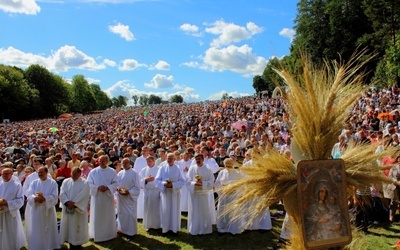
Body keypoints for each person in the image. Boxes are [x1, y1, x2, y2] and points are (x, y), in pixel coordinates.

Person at [26, 166, 60, 250]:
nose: (40, 174)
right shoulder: (34, 183)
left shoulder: (52, 183)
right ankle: (37, 246)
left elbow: (55, 195)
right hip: (36, 209)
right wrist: (35, 198)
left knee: (48, 228)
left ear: (46, 172)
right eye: (39, 173)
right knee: (37, 228)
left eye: (42, 172)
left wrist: (45, 198)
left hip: (47, 209)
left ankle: (49, 245)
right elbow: (29, 194)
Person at [87, 155, 118, 242]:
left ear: (107, 161)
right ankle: (97, 234)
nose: (101, 162)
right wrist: (97, 187)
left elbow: (116, 183)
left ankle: (109, 234)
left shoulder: (112, 171)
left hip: (108, 198)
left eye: (103, 161)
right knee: (97, 215)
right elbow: (89, 183)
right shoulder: (93, 172)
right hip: (97, 198)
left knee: (107, 215)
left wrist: (108, 187)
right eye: (100, 161)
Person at [59, 167, 90, 250]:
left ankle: (78, 243)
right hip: (67, 208)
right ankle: (68, 240)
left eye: (75, 174)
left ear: (80, 174)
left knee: (77, 227)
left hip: (78, 209)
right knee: (68, 226)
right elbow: (62, 192)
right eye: (72, 173)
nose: (73, 175)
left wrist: (75, 204)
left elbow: (84, 195)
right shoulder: (66, 181)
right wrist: (66, 202)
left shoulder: (85, 182)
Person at [155, 153, 186, 234]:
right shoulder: (162, 168)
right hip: (165, 193)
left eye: (171, 158)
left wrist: (173, 185)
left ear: (174, 159)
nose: (169, 160)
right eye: (168, 158)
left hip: (174, 194)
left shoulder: (178, 169)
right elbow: (157, 180)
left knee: (174, 210)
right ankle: (165, 228)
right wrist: (164, 184)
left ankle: (174, 229)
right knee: (165, 210)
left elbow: (182, 181)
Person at [187, 153, 215, 235]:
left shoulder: (208, 169)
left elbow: (211, 181)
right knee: (194, 210)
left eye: (199, 159)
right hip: (194, 194)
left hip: (203, 194)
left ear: (203, 159)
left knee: (203, 210)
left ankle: (204, 228)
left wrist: (203, 183)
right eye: (196, 159)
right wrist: (194, 184)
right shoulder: (192, 169)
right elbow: (187, 180)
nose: (198, 160)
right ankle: (194, 228)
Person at [214, 158, 244, 234]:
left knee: (232, 211)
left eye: (229, 165)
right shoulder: (222, 172)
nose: (228, 167)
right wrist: (221, 190)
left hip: (233, 195)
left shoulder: (237, 173)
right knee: (222, 210)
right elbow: (217, 183)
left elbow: (241, 184)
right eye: (226, 165)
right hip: (223, 195)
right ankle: (222, 227)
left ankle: (233, 228)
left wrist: (234, 189)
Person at [0, 168, 26, 250]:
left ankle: (12, 247)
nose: (4, 175)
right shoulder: (0, 184)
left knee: (11, 231)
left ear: (11, 174)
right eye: (3, 174)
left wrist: (7, 203)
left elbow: (20, 200)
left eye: (7, 173)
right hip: (0, 213)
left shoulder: (16, 185)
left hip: (11, 213)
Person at [116, 157, 141, 237]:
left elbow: (137, 187)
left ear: (129, 163)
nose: (124, 164)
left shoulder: (134, 173)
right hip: (121, 198)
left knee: (130, 214)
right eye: (123, 163)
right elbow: (117, 183)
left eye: (126, 163)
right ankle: (122, 229)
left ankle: (131, 232)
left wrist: (129, 192)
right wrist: (118, 189)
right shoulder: (120, 173)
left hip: (130, 197)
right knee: (122, 213)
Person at [139, 155, 161, 231]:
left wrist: (154, 181)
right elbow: (139, 181)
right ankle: (149, 225)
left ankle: (157, 225)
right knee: (148, 208)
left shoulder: (159, 169)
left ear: (154, 161)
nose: (148, 163)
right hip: (147, 192)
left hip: (156, 192)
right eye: (147, 161)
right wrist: (146, 180)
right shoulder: (144, 170)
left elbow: (161, 180)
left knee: (156, 208)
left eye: (150, 161)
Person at [133, 146, 150, 219]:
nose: (144, 152)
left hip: (149, 181)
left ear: (148, 151)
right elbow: (135, 170)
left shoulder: (151, 159)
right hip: (139, 182)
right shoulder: (138, 160)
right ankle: (139, 215)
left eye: (146, 150)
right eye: (143, 150)